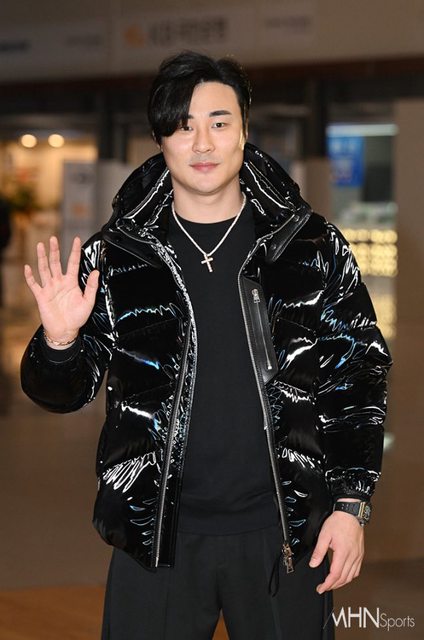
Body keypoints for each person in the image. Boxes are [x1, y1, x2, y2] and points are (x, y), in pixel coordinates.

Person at [21, 51, 392, 640]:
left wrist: (350, 505)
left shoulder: (309, 246)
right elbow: (62, 393)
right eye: (182, 125)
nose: (202, 143)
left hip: (285, 533)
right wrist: (61, 342)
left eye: (219, 122)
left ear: (244, 129)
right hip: (154, 538)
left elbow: (357, 376)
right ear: (159, 139)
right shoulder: (115, 256)